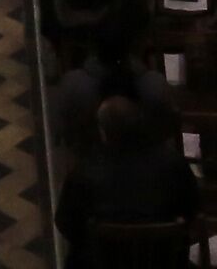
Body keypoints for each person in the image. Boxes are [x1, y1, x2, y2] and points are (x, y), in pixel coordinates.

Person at [57, 98, 201, 261]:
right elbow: (192, 209)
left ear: (103, 132)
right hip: (162, 261)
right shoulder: (172, 163)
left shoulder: (83, 173)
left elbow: (66, 224)